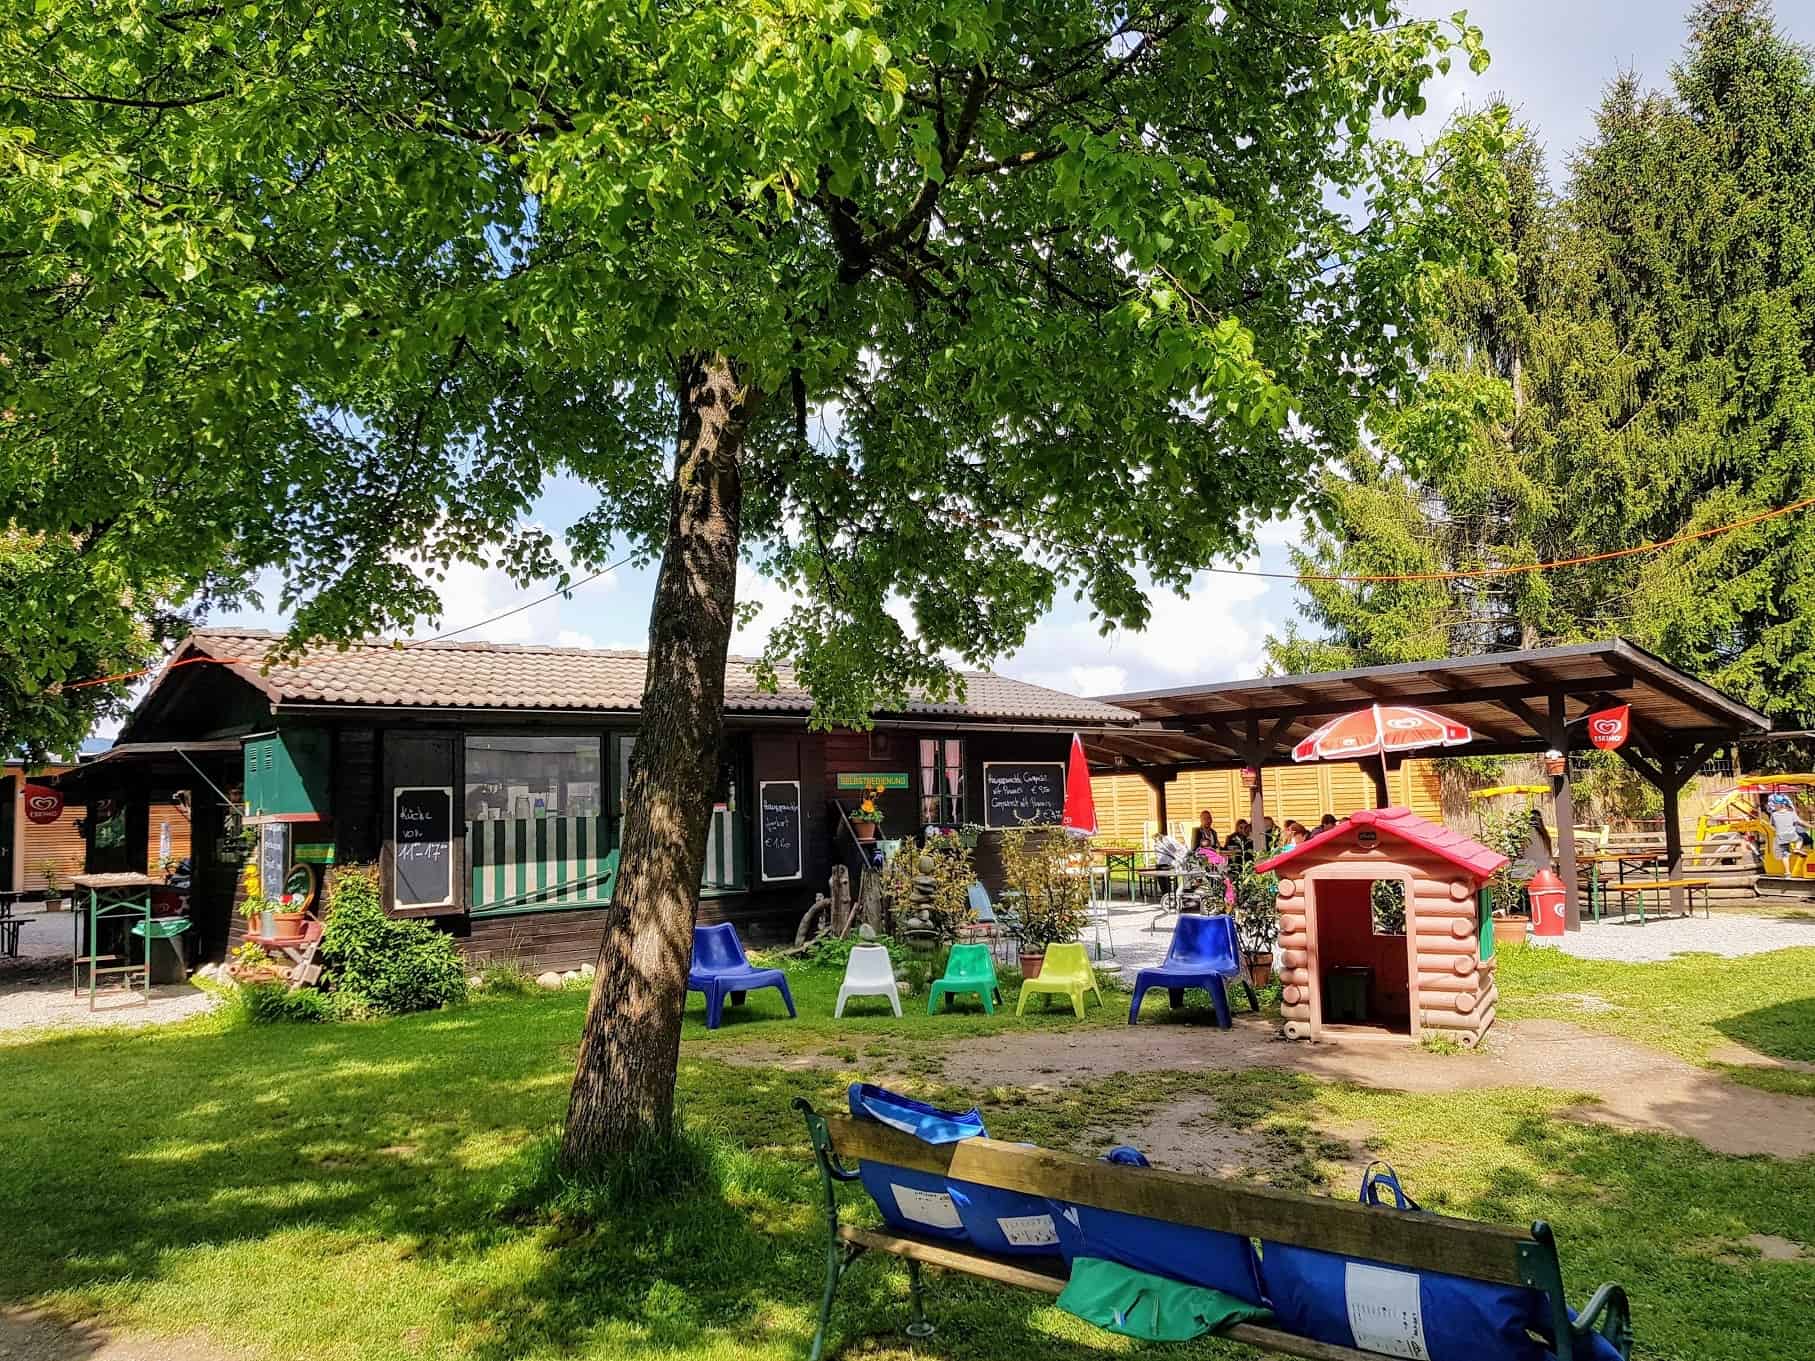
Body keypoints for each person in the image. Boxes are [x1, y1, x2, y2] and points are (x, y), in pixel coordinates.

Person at [1768, 794, 1812, 863]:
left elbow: (1772, 825)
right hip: (1792, 833)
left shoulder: (1775, 813)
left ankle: (1788, 870)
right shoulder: (1789, 811)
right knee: (1802, 838)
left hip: (1782, 835)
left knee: (1785, 852)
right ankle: (1798, 849)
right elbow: (1799, 821)